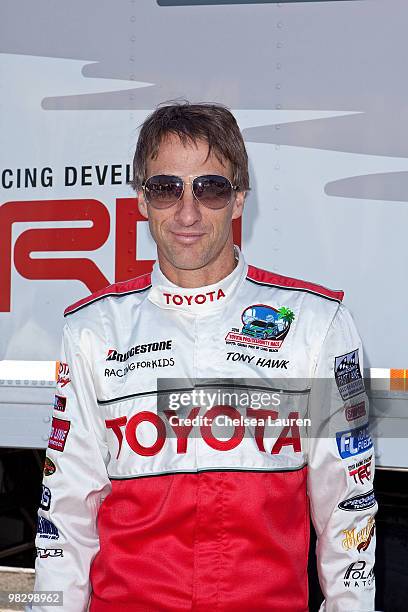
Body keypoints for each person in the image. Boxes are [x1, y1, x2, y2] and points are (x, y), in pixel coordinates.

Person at [32, 102, 376, 611]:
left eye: (210, 188)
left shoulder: (317, 324)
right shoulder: (91, 330)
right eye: (167, 188)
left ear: (239, 200)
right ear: (142, 201)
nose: (187, 212)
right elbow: (64, 518)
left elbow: (348, 512)